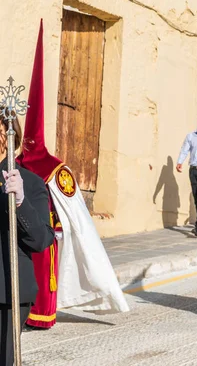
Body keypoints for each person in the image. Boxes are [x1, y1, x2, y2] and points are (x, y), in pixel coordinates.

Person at [18, 22, 129, 335]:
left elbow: (75, 214)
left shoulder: (56, 168)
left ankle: (41, 316)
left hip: (47, 234)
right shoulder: (14, 163)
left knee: (43, 275)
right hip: (22, 233)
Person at [0, 109, 55, 365]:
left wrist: (21, 203)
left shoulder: (30, 183)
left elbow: (41, 239)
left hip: (6, 291)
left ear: (10, 139)